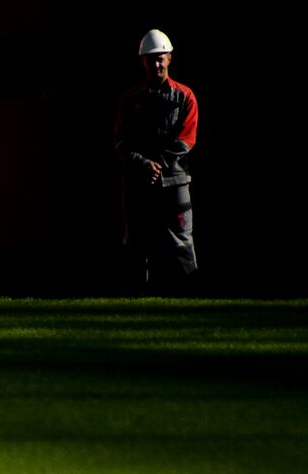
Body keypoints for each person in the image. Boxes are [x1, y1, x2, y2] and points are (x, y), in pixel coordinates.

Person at [114, 29, 199, 291]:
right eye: (151, 59)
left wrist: (155, 165)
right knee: (137, 241)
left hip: (175, 183)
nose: (157, 63)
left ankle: (189, 292)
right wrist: (142, 164)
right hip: (139, 182)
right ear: (143, 62)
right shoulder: (130, 100)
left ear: (170, 58)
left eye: (161, 58)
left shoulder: (185, 96)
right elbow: (121, 140)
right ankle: (136, 296)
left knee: (181, 241)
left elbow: (186, 139)